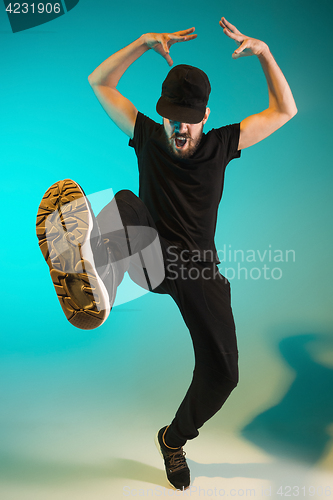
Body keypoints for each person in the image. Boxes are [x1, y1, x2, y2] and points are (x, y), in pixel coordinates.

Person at [36, 17, 297, 491]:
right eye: (172, 118)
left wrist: (264, 54)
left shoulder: (223, 144)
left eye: (189, 120)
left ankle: (172, 440)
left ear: (205, 115)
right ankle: (95, 279)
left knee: (224, 373)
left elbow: (285, 110)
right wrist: (139, 42)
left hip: (198, 269)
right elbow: (100, 81)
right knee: (125, 203)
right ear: (164, 114)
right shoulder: (148, 134)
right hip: (148, 252)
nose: (179, 128)